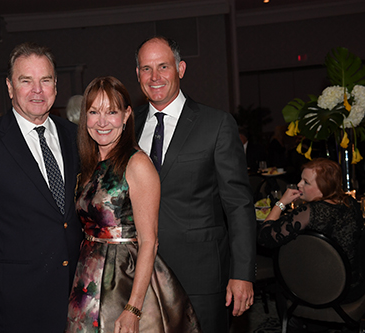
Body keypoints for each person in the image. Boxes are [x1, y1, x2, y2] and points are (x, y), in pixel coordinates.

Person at [0, 42, 83, 333]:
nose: (37, 90)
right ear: (11, 87)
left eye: (45, 80)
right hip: (15, 304)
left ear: (55, 86)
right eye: (26, 81)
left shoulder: (74, 135)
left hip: (75, 297)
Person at [134, 36, 256, 333]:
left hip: (201, 275)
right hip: (141, 274)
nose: (155, 77)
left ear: (181, 69)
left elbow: (238, 205)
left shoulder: (216, 124)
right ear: (137, 74)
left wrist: (242, 274)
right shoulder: (128, 127)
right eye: (146, 69)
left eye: (163, 66)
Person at [66, 76, 200, 332]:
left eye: (111, 112)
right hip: (87, 276)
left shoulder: (137, 164)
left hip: (125, 280)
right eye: (94, 112)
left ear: (126, 115)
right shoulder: (88, 164)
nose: (102, 122)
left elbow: (149, 241)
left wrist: (133, 308)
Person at [258, 158, 365, 303]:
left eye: (306, 182)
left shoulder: (310, 211)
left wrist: (281, 203)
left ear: (324, 187)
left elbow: (265, 237)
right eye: (301, 179)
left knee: (281, 276)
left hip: (321, 291)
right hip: (353, 286)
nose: (299, 184)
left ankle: (294, 323)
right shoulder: (351, 203)